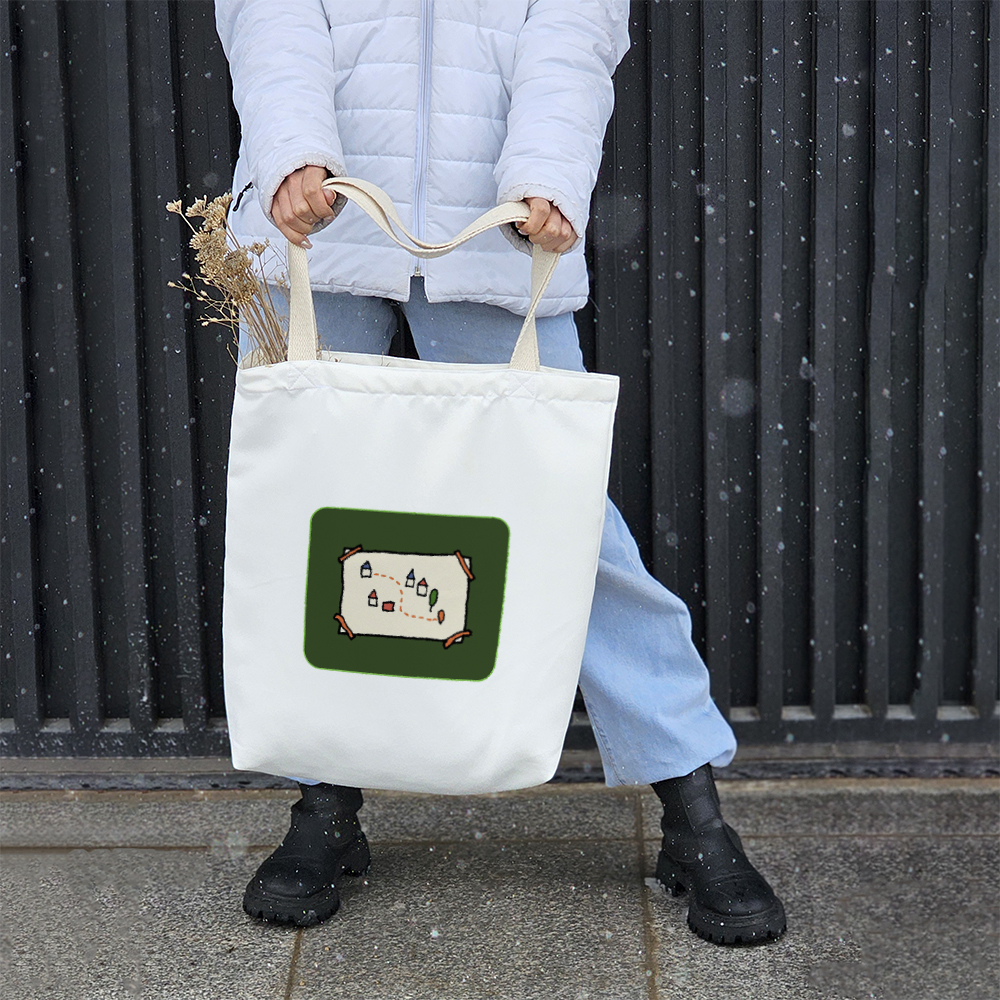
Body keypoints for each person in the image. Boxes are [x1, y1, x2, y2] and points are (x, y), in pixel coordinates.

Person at [215, 0, 786, 946]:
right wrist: (292, 153)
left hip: (495, 233)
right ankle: (323, 802)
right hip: (316, 229)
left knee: (568, 530)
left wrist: (548, 174)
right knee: (312, 532)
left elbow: (573, 27)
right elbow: (272, 14)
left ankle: (693, 812)